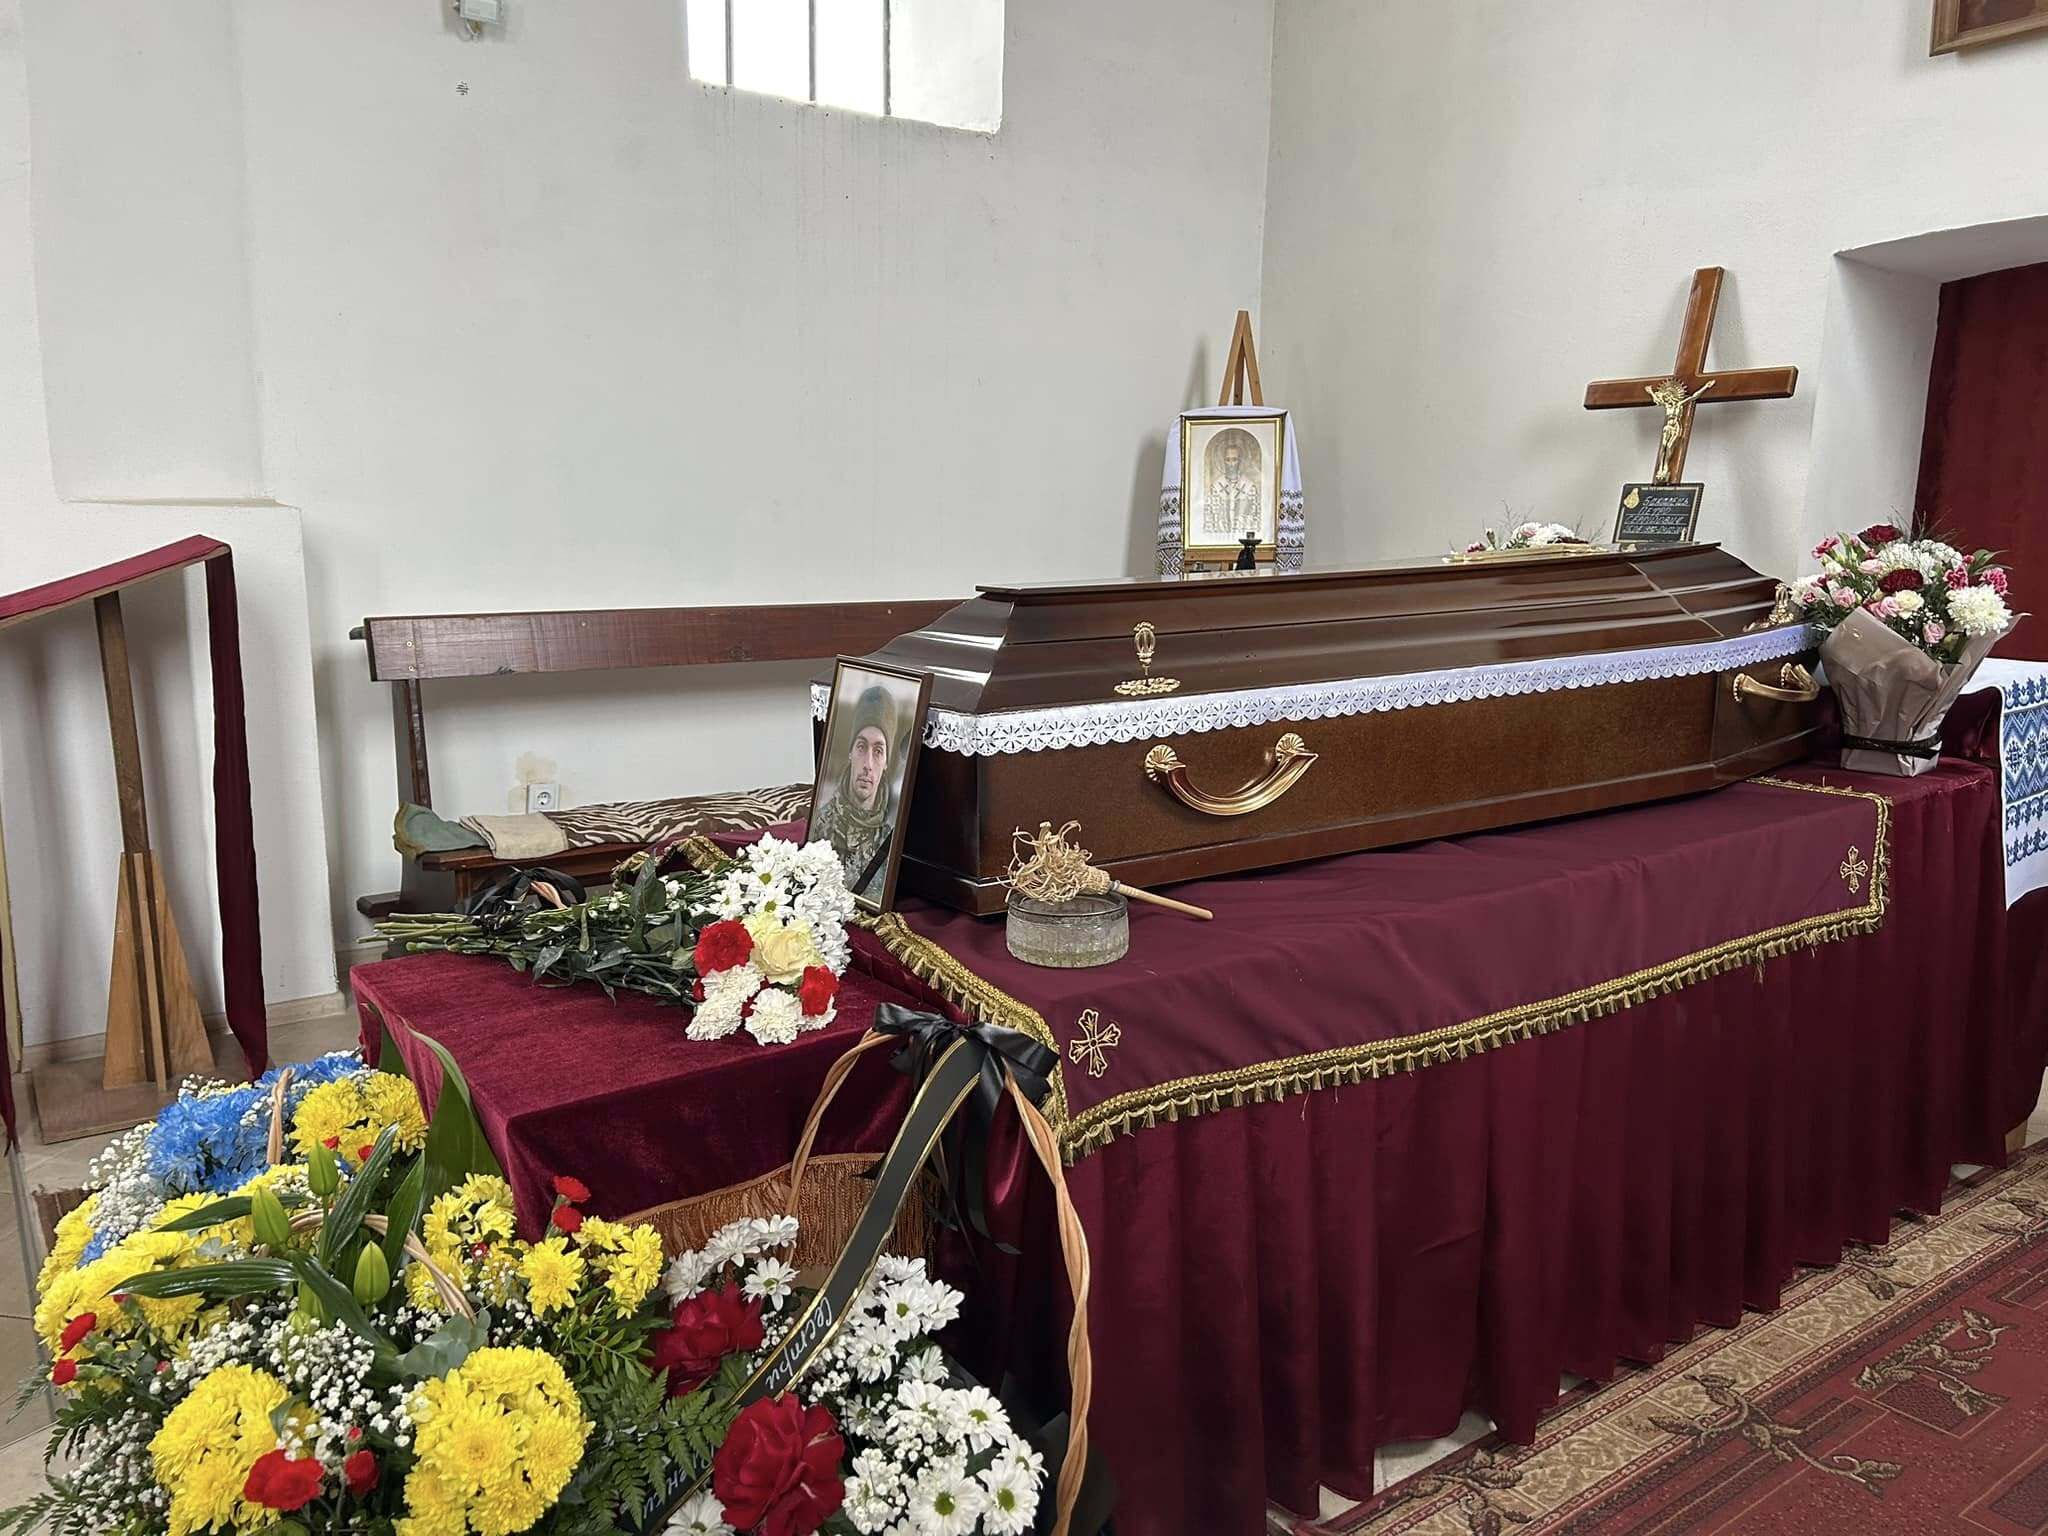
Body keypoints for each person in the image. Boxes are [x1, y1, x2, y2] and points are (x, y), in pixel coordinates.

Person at [813, 683, 900, 901]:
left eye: (878, 751)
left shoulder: (890, 840)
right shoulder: (820, 824)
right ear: (850, 753)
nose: (868, 764)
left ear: (886, 763)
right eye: (861, 747)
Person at [1203, 434, 1262, 538]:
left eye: (1234, 459)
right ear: (1223, 461)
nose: (1231, 464)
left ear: (1240, 461)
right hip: (1219, 538)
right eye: (1228, 459)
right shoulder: (1216, 487)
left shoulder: (1250, 488)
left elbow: (1256, 517)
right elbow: (1209, 517)